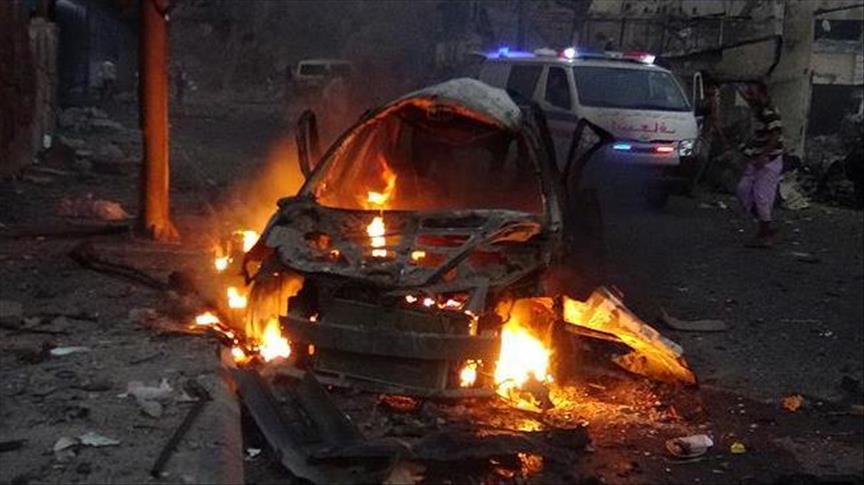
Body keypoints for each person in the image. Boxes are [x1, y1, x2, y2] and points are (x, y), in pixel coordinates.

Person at [736, 81, 784, 247]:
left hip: (769, 160)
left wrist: (764, 155)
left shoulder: (770, 112)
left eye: (753, 93)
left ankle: (765, 231)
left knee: (762, 196)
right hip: (756, 158)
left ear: (762, 94)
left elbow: (775, 136)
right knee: (743, 190)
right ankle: (766, 224)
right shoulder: (758, 110)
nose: (750, 96)